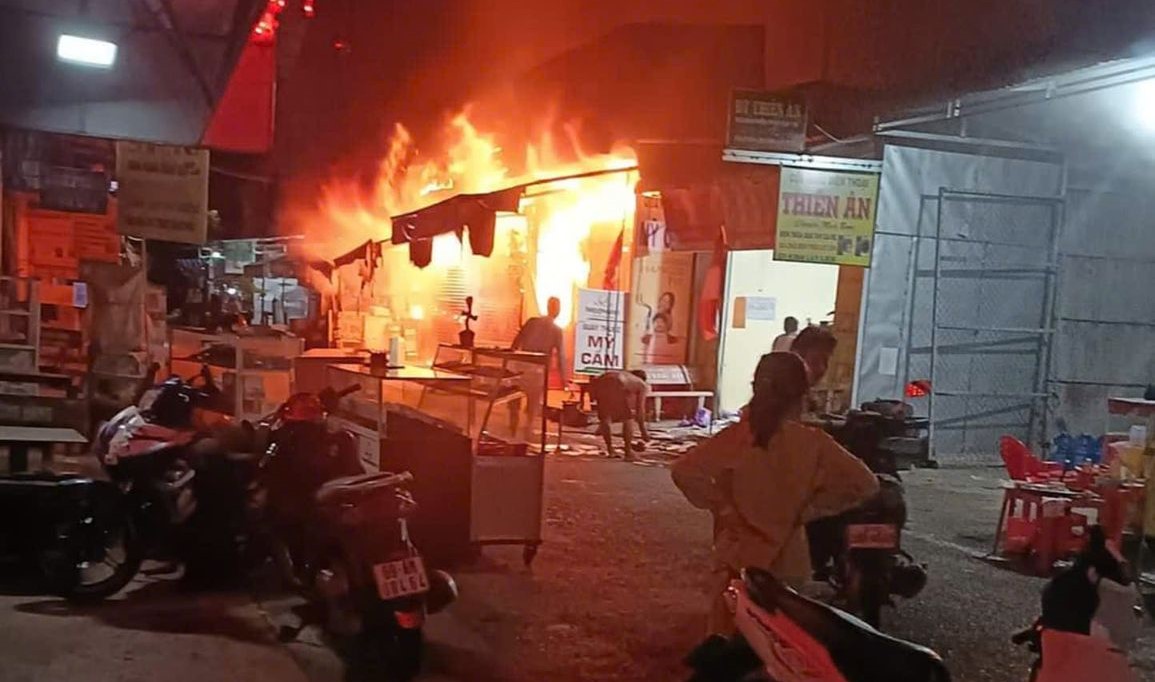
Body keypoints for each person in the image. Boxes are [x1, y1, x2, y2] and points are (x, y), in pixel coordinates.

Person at [671, 352, 878, 635]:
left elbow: (683, 472)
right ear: (801, 395)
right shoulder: (813, 443)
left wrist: (724, 507)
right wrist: (810, 510)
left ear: (756, 389)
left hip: (739, 559)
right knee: (784, 644)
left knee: (729, 644)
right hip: (790, 562)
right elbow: (866, 483)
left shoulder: (737, 438)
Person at [510, 296, 569, 440]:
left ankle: (512, 428)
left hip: (521, 368)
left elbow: (515, 343)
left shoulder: (532, 322)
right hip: (537, 371)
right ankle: (526, 430)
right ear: (558, 311)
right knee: (533, 402)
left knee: (514, 398)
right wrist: (564, 380)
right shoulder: (556, 330)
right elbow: (560, 355)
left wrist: (510, 362)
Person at [587, 369, 650, 460]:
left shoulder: (626, 376)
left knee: (606, 418)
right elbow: (640, 409)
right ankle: (628, 452)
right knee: (628, 418)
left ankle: (610, 450)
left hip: (600, 381)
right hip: (616, 382)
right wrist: (644, 432)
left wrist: (601, 427)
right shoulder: (642, 384)